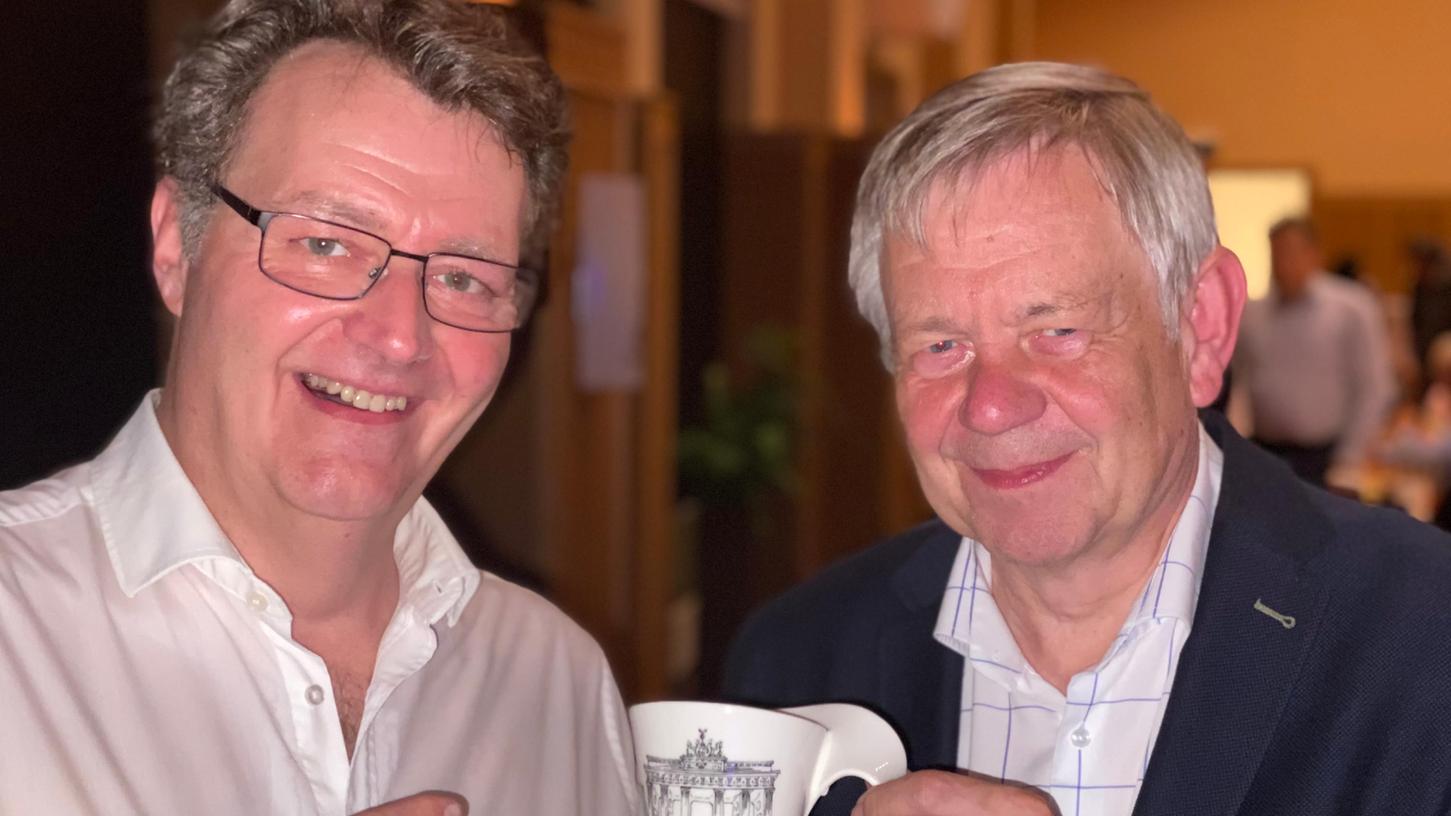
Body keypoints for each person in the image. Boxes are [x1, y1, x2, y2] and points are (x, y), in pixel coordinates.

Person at [724, 62, 1451, 816]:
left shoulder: (1424, 641)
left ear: (1199, 327)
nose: (992, 408)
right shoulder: (796, 666)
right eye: (939, 347)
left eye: (1056, 330)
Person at [0, 1, 637, 813]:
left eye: (463, 278)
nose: (401, 337)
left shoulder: (554, 681)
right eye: (326, 243)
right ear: (175, 247)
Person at [1232, 218, 1398, 486]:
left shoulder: (1351, 308)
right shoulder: (1252, 314)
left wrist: (1350, 455)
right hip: (1265, 449)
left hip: (1327, 454)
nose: (1284, 264)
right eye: (1277, 254)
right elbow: (1238, 382)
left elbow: (1375, 387)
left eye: (1292, 253)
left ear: (1313, 255)